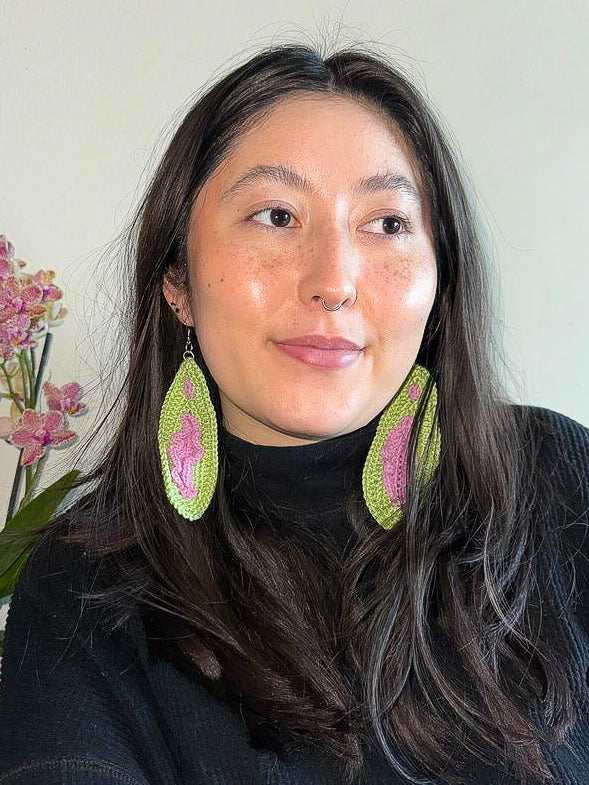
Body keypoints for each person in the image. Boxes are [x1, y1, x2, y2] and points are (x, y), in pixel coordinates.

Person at [1, 41, 588, 785]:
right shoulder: (81, 589)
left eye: (386, 224)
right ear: (177, 278)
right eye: (275, 215)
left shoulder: (556, 478)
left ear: (440, 283)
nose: (333, 281)